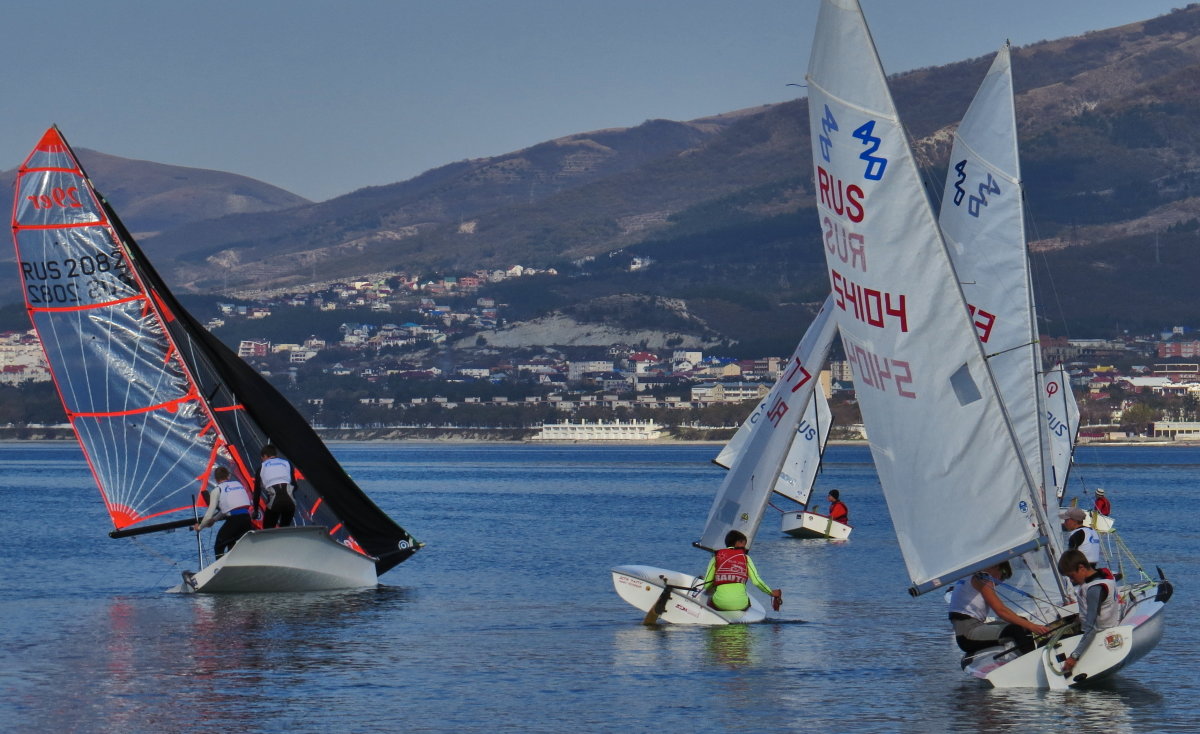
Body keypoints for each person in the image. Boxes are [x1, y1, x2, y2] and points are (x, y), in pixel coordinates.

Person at [947, 561, 1050, 654]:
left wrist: (1027, 624)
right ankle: (1031, 662)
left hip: (971, 630)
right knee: (1016, 629)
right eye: (1003, 575)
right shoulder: (982, 578)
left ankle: (1034, 653)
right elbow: (1001, 611)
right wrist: (1032, 626)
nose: (1000, 581)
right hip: (968, 635)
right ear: (995, 566)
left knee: (1022, 622)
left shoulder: (968, 575)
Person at [1057, 549, 1119, 675]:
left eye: (1071, 576)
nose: (1072, 581)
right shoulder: (1104, 575)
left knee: (1044, 643)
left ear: (1081, 567)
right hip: (1102, 628)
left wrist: (1074, 656)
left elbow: (1092, 628)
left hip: (1096, 635)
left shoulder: (1094, 589)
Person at [703, 530, 783, 613]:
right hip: (740, 604)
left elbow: (706, 585)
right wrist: (771, 592)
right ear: (737, 543)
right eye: (744, 544)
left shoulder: (716, 558)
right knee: (747, 601)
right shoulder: (746, 558)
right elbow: (756, 581)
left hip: (720, 604)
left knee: (709, 597)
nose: (745, 548)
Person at [194, 466, 254, 558]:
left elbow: (209, 514)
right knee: (232, 543)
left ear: (216, 479)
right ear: (228, 476)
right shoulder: (238, 484)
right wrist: (214, 519)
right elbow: (230, 507)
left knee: (219, 546)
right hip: (247, 519)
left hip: (234, 521)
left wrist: (200, 527)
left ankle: (220, 569)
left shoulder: (217, 490)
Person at [254, 444, 296, 528]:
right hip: (290, 503)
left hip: (275, 503)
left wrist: (255, 511)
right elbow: (295, 485)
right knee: (284, 528)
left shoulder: (261, 468)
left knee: (268, 529)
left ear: (265, 456)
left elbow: (257, 493)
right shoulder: (287, 463)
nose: (262, 460)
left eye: (262, 458)